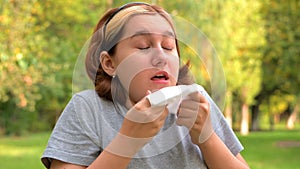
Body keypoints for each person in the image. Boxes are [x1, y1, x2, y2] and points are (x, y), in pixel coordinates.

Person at [41, 2, 249, 169]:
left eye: (168, 47)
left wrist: (207, 138)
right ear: (110, 63)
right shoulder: (87, 108)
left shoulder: (197, 102)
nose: (161, 57)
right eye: (143, 46)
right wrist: (127, 141)